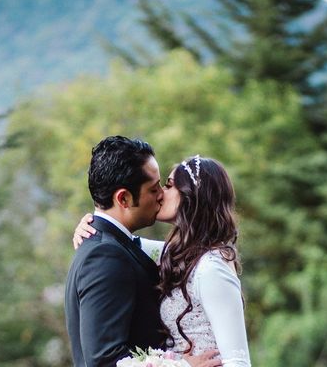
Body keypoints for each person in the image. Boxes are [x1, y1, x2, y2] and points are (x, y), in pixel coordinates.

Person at [74, 154, 251, 366]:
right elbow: (124, 243)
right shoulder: (178, 255)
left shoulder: (212, 268)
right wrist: (91, 225)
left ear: (191, 196)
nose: (160, 194)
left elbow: (238, 361)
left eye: (168, 185)